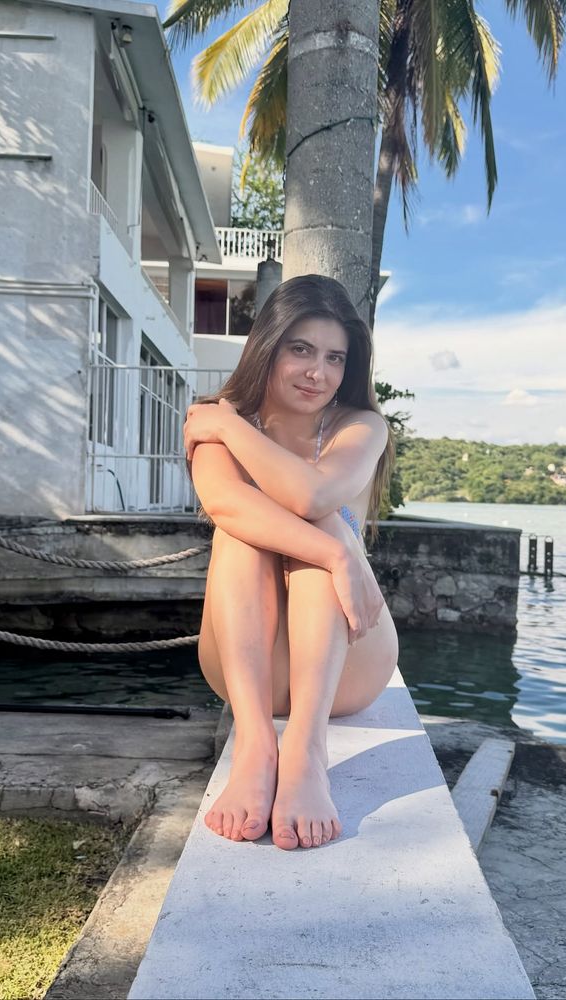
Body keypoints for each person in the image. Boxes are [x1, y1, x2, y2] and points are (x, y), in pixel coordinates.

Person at [183, 274, 399, 851]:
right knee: (242, 533)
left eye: (334, 357)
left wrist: (227, 424)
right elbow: (225, 503)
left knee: (316, 518)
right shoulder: (215, 423)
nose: (317, 373)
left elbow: (312, 496)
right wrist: (339, 554)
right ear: (268, 346)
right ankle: (256, 745)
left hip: (345, 669)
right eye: (300, 349)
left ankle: (305, 751)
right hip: (240, 668)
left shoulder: (360, 426)